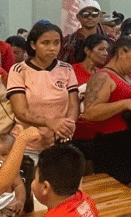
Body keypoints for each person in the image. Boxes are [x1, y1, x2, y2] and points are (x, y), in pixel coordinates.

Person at [83, 35, 131, 217]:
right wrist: (125, 103)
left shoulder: (125, 77)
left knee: (128, 200)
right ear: (121, 52)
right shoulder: (104, 77)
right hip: (113, 146)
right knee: (111, 202)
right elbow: (90, 112)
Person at [7, 22, 79, 158]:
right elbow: (20, 111)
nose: (52, 48)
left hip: (58, 144)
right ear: (33, 45)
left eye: (56, 43)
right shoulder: (19, 70)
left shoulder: (67, 69)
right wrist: (50, 122)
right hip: (27, 145)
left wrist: (67, 126)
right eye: (45, 43)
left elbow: (74, 104)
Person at [70, 33, 110, 166]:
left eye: (106, 50)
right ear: (87, 50)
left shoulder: (103, 75)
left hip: (96, 135)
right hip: (73, 133)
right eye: (101, 49)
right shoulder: (71, 71)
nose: (105, 53)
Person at [58, 0, 112, 65]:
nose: (90, 17)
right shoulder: (68, 42)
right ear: (78, 17)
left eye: (94, 14)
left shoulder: (110, 41)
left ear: (100, 16)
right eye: (85, 14)